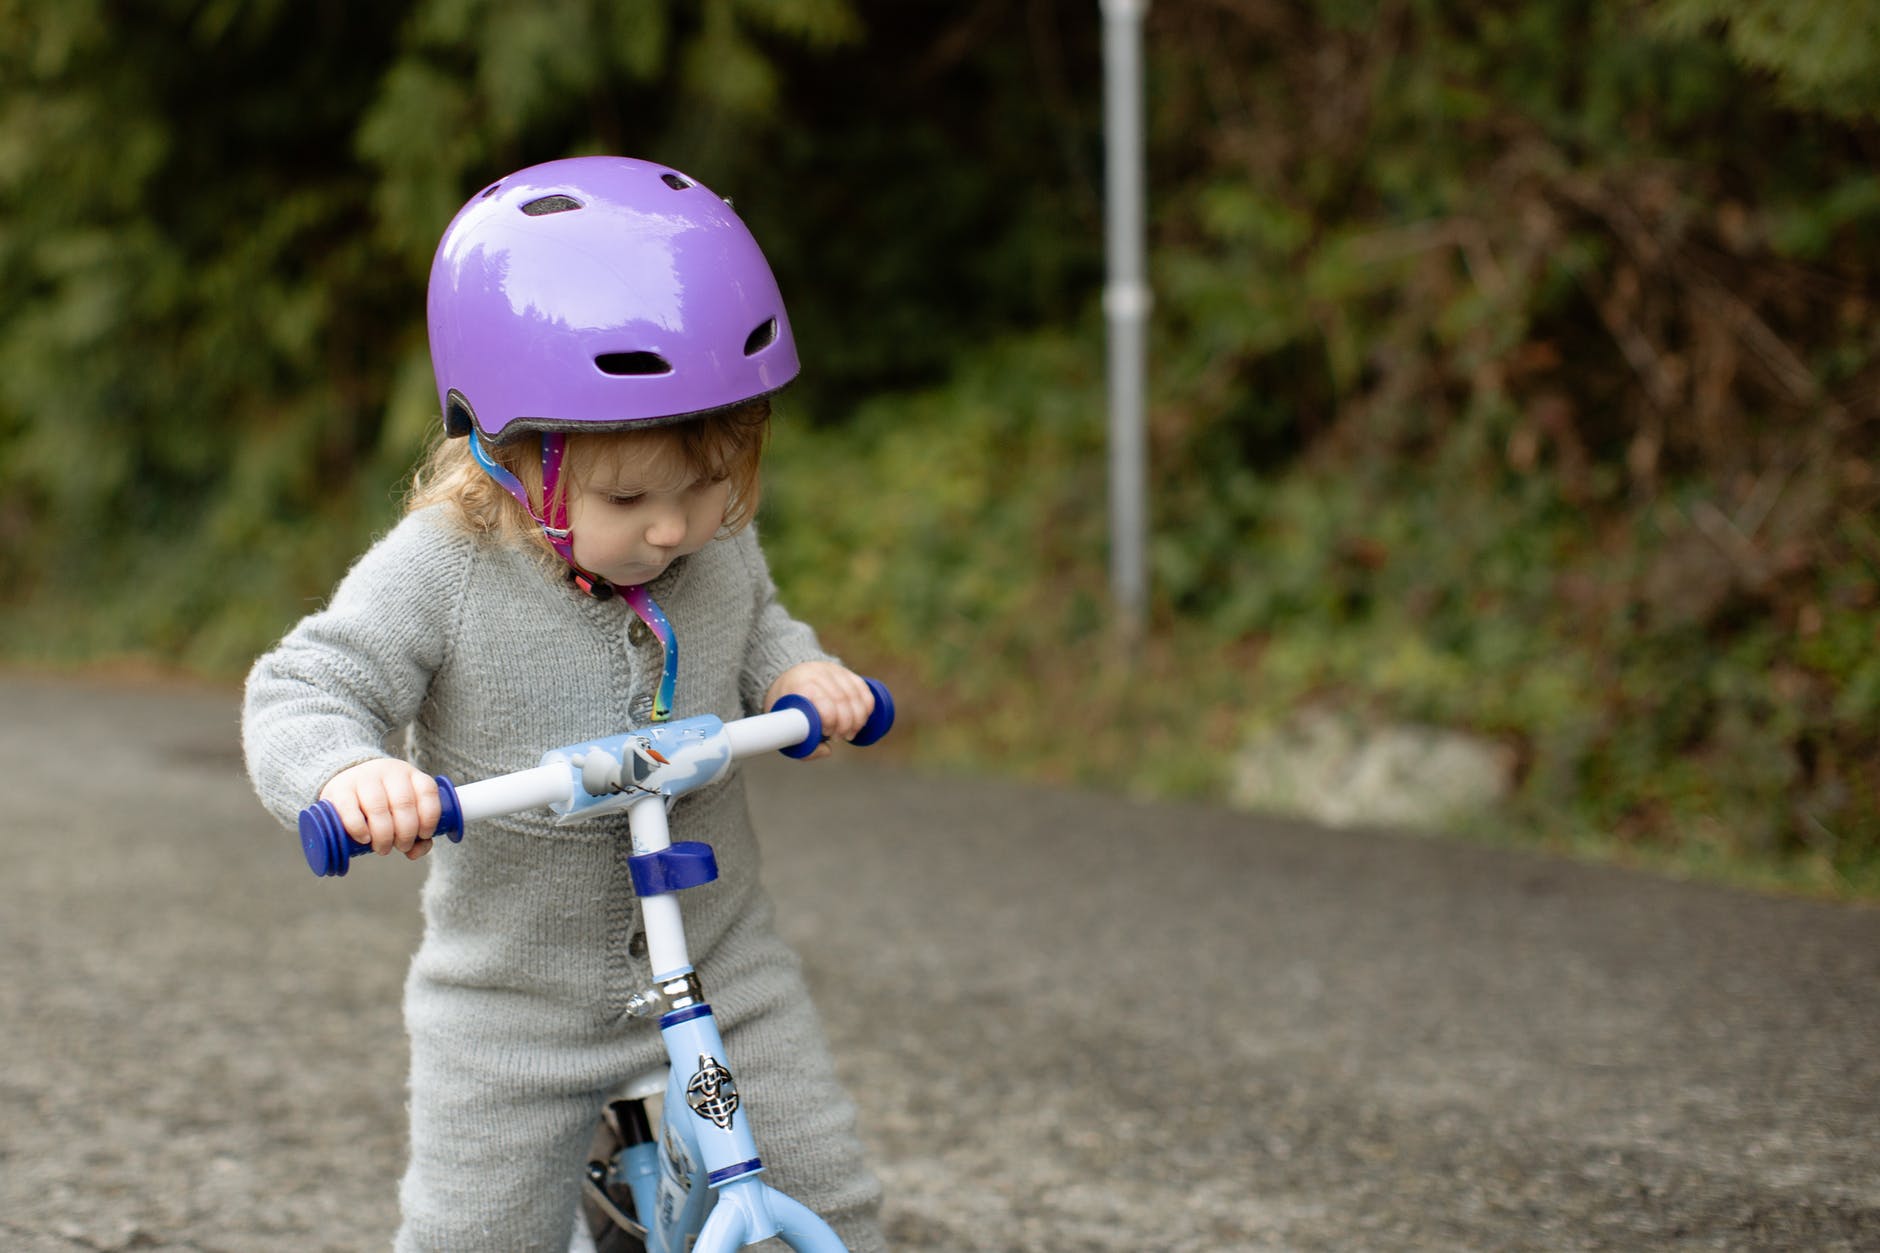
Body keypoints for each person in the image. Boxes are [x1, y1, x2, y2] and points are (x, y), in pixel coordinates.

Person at [242, 156, 886, 1251]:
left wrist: (797, 675)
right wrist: (350, 771)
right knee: (475, 1234)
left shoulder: (713, 547)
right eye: (630, 496)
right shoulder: (441, 569)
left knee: (827, 1192)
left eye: (712, 477)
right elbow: (306, 686)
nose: (678, 526)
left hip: (721, 966)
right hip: (515, 1010)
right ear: (506, 456)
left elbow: (764, 625)